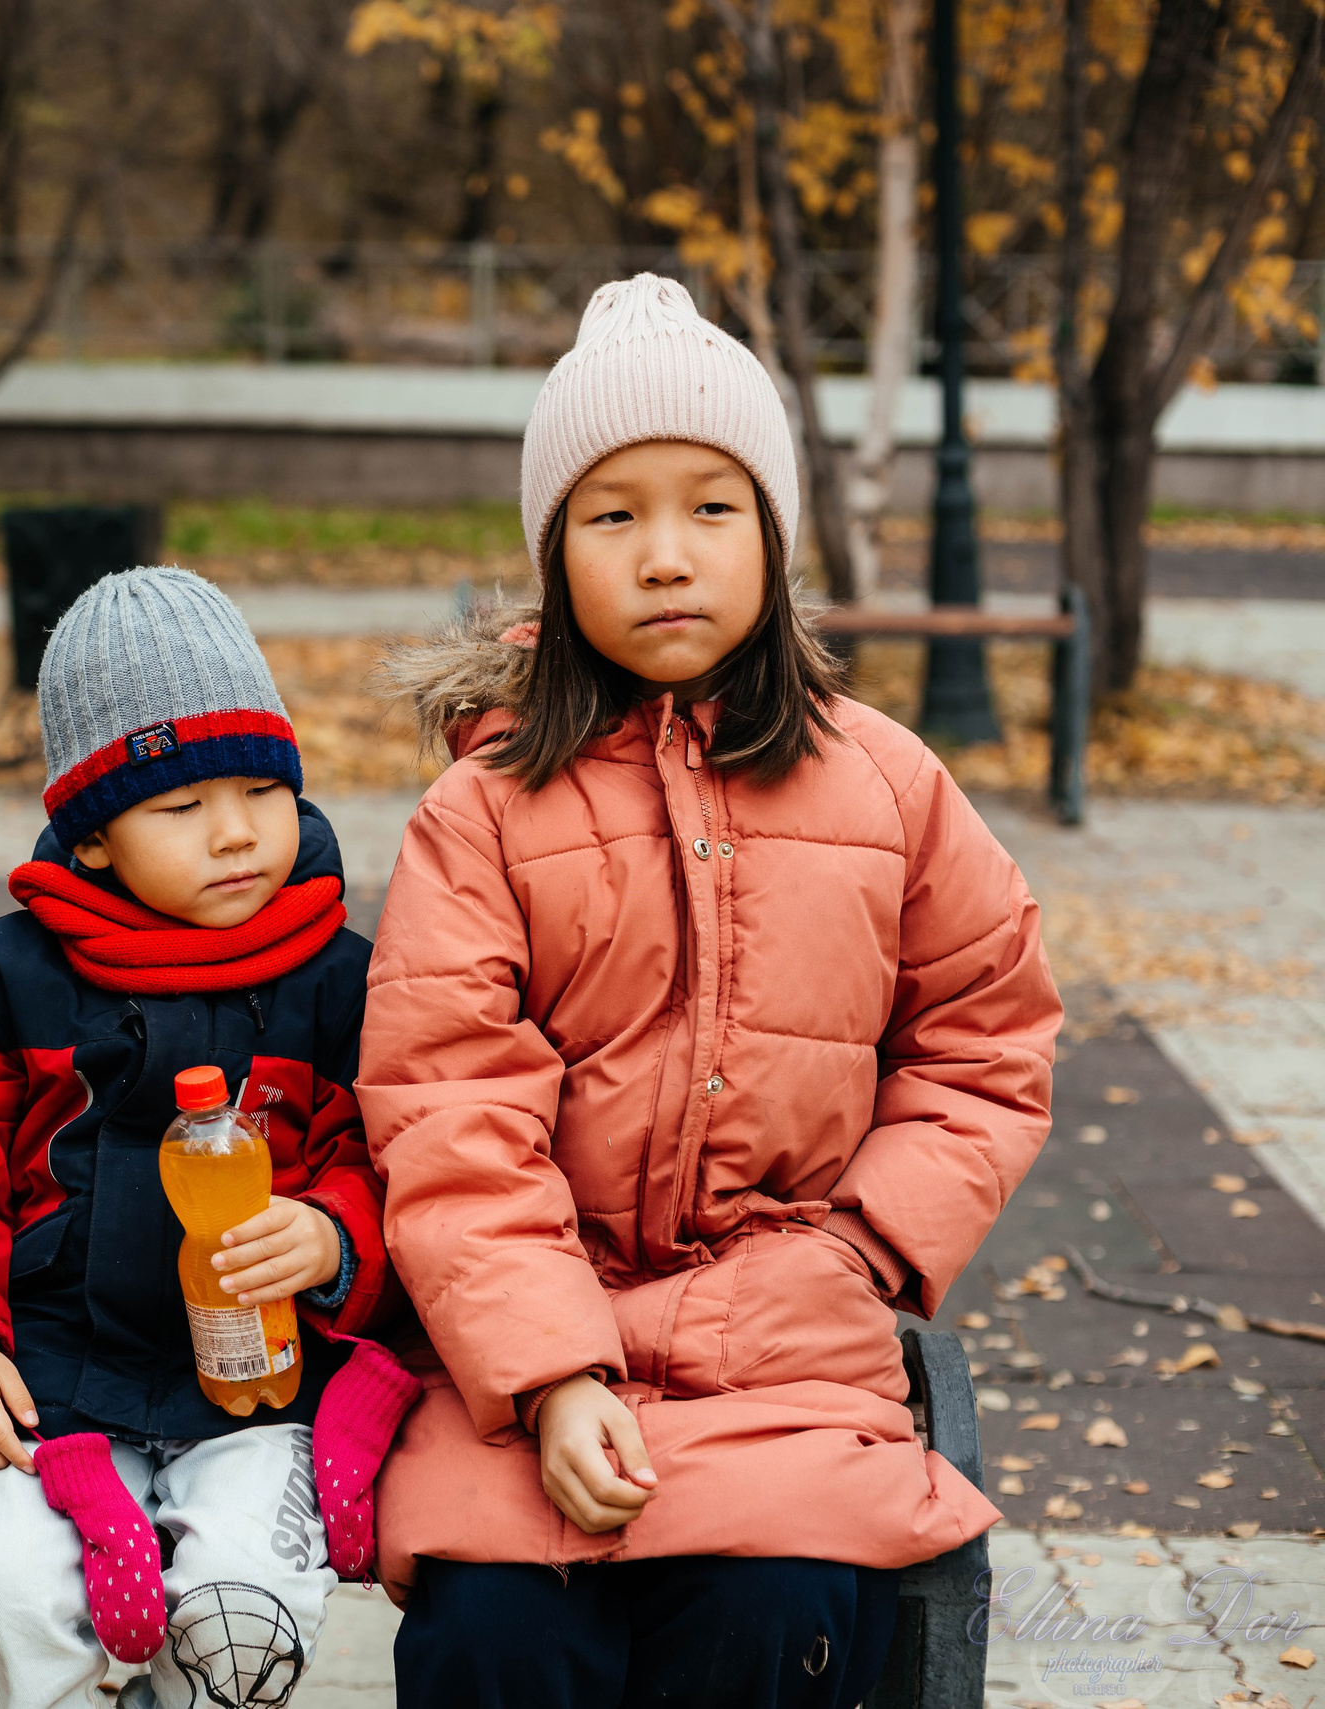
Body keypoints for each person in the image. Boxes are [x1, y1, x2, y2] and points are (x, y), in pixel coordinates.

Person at [360, 272, 1062, 1708]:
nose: (667, 555)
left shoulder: (886, 783)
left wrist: (864, 1250)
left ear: (775, 539)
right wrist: (552, 1374)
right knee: (499, 1644)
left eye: (712, 508)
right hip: (532, 1354)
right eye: (615, 516)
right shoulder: (483, 814)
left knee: (776, 1616)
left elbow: (986, 1042)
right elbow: (450, 1110)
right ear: (557, 558)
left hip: (794, 1349)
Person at [0, 568, 422, 1709]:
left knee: (240, 1618)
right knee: (5, 1590)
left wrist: (331, 1238)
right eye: (179, 809)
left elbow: (393, 1153)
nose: (234, 834)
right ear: (93, 840)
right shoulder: (3, 975)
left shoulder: (339, 977)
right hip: (52, 1383)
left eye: (260, 791)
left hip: (268, 1391)